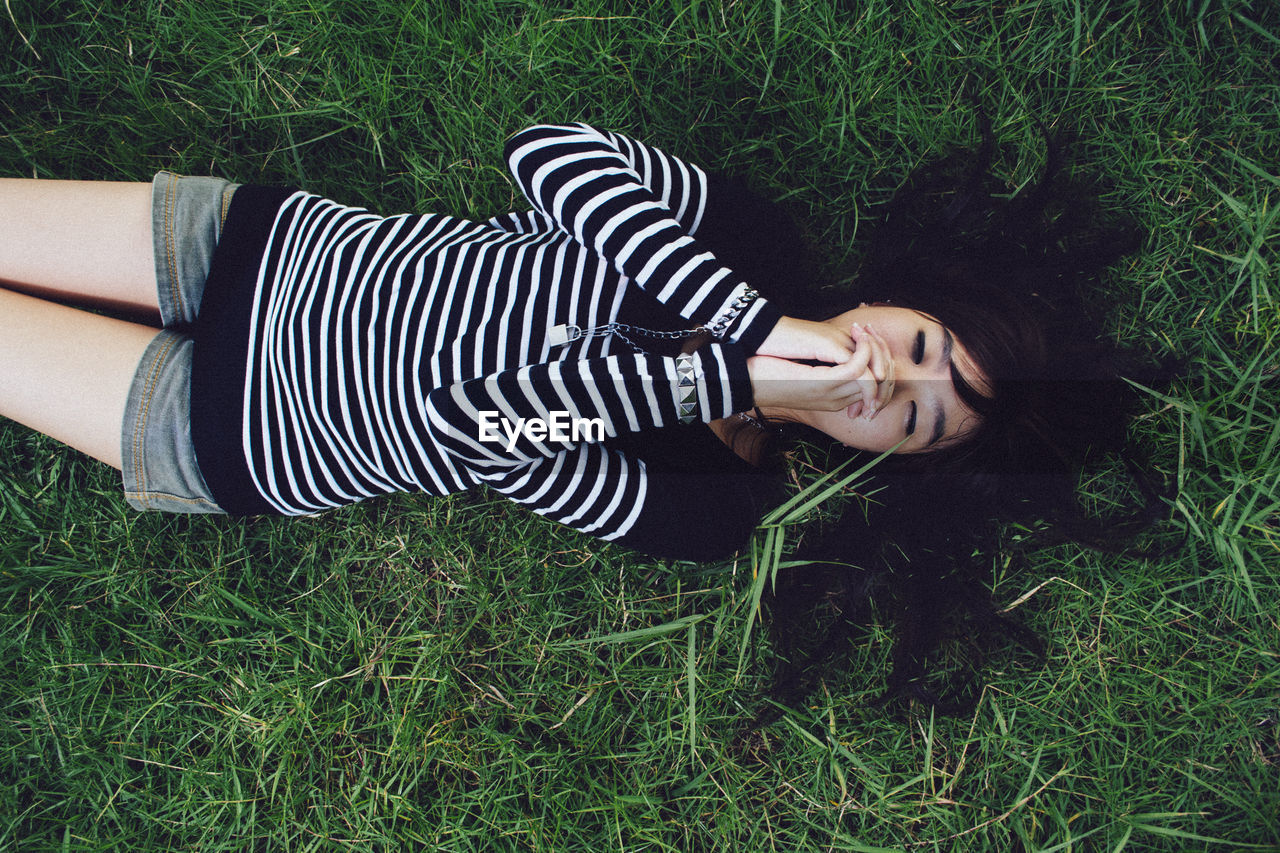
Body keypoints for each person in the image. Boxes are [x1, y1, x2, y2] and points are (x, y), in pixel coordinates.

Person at [0, 122, 989, 562]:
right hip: (249, 248)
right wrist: (750, 321)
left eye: (911, 413)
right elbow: (548, 155)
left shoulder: (710, 508)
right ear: (896, 303)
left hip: (230, 428)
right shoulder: (747, 243)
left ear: (882, 458)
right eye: (915, 343)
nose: (883, 372)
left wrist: (735, 379)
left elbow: (475, 417)